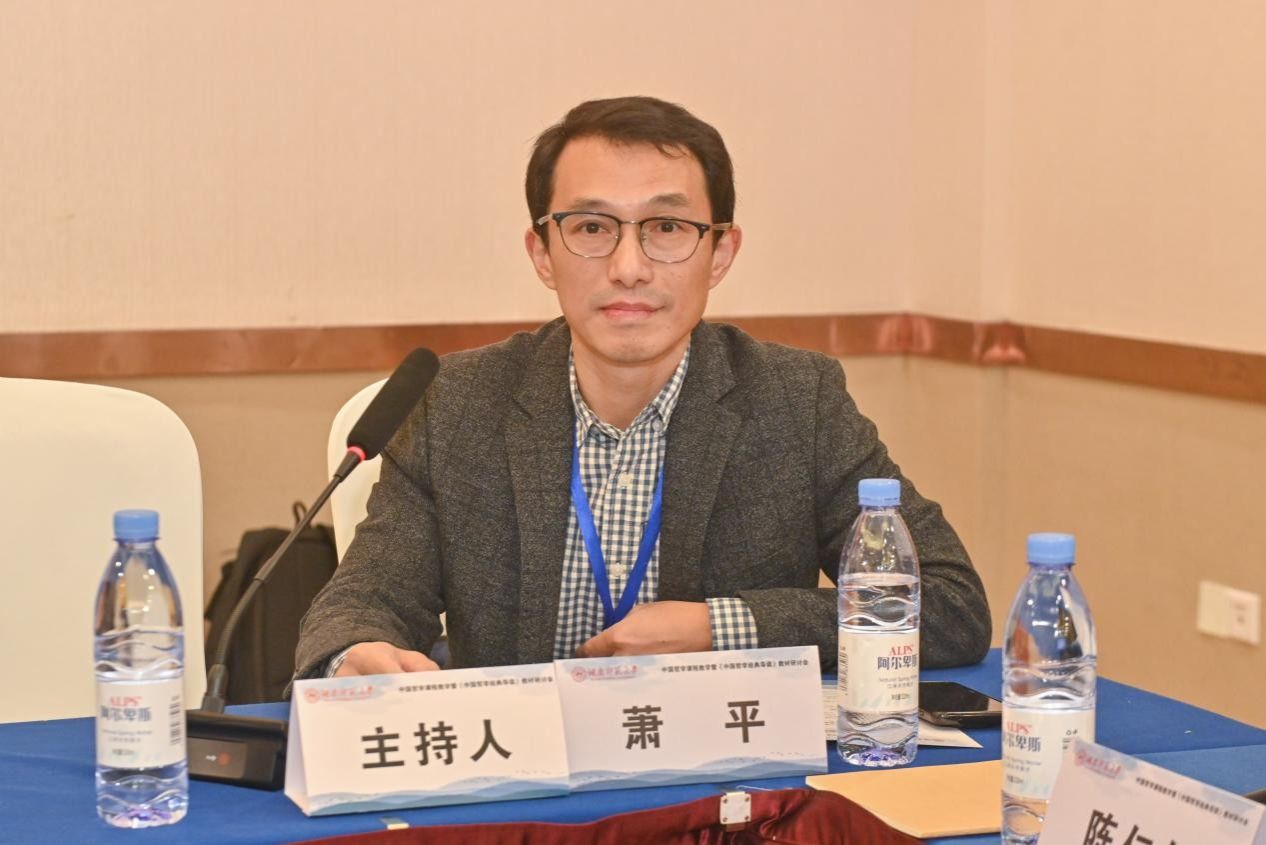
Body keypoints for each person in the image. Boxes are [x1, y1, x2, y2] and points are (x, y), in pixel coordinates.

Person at [294, 96, 990, 680]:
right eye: (591, 227)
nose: (629, 266)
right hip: (521, 777)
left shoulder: (795, 401)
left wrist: (726, 628)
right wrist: (353, 655)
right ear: (542, 253)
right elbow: (362, 601)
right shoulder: (457, 403)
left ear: (720, 253)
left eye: (666, 228)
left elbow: (948, 605)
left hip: (719, 778)